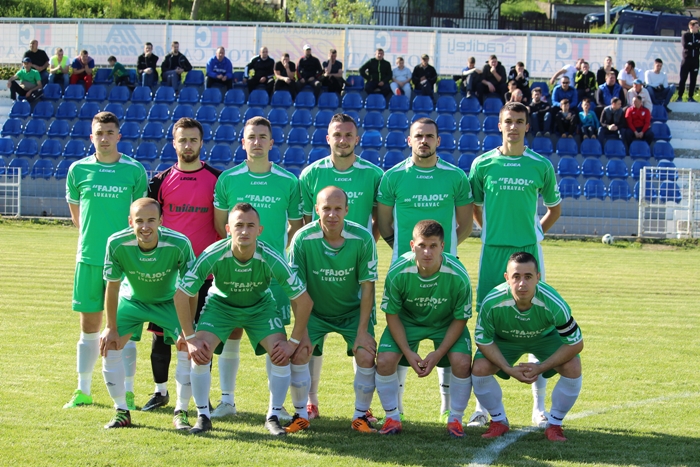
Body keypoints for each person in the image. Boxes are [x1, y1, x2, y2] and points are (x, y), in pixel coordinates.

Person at [173, 203, 314, 436]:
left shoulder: (270, 256)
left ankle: (273, 416)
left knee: (280, 353)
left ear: (260, 230)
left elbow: (304, 301)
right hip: (221, 306)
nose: (245, 231)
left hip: (259, 308)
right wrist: (190, 338)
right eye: (239, 225)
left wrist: (293, 343)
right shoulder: (213, 253)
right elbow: (181, 295)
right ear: (228, 229)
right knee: (200, 352)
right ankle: (203, 416)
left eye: (250, 225)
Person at [467, 101, 561, 429]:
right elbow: (475, 207)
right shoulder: (482, 164)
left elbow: (554, 209)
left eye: (519, 121)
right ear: (500, 125)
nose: (514, 127)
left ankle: (539, 408)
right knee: (487, 322)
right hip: (493, 253)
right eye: (508, 121)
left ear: (527, 126)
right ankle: (482, 408)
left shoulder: (540, 165)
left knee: (539, 323)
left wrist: (536, 234)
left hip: (528, 252)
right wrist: (491, 231)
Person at [377, 117, 473, 421]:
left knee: (448, 338)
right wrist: (405, 252)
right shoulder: (393, 177)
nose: (424, 141)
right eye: (418, 136)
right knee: (401, 340)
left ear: (438, 141)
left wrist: (442, 253)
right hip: (405, 270)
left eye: (429, 136)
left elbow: (465, 224)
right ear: (409, 140)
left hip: (445, 269)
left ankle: (447, 410)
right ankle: (397, 410)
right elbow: (384, 224)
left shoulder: (456, 177)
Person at [212, 117, 303, 419]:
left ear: (271, 143)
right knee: (232, 331)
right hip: (235, 269)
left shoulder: (288, 181)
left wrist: (274, 251)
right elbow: (220, 226)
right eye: (251, 137)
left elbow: (296, 227)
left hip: (273, 273)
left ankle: (276, 406)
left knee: (275, 338)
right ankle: (227, 401)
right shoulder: (228, 179)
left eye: (263, 137)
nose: (257, 142)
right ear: (243, 142)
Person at [298, 113, 383, 418]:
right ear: (328, 138)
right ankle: (310, 401)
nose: (343, 140)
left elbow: (379, 220)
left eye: (348, 135)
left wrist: (359, 249)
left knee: (363, 343)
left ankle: (364, 410)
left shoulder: (373, 174)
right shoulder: (310, 174)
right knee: (310, 344)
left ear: (356, 138)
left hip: (356, 268)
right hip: (319, 269)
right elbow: (306, 223)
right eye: (337, 135)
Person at [63, 111, 148, 409]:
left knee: (126, 330)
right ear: (92, 137)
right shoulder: (77, 170)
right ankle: (83, 390)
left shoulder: (134, 170)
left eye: (110, 132)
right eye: (99, 133)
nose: (104, 138)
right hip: (89, 258)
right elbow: (78, 218)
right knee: (89, 325)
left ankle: (128, 392)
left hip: (126, 262)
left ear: (118, 136)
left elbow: (140, 218)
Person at [142, 117, 222, 412]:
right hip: (167, 272)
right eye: (182, 140)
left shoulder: (217, 179)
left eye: (193, 140)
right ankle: (160, 391)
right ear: (174, 143)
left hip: (204, 273)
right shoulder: (159, 181)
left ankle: (201, 395)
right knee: (161, 336)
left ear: (201, 143)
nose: (188, 145)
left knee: (199, 338)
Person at [287, 186, 379, 433]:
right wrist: (303, 331)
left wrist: (362, 332)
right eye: (326, 208)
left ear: (347, 210)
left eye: (338, 208)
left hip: (352, 312)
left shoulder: (362, 238)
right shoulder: (302, 239)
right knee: (300, 352)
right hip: (314, 313)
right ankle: (300, 414)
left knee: (366, 354)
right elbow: (296, 290)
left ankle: (360, 416)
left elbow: (368, 288)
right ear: (316, 209)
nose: (332, 214)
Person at [100, 198, 195, 430]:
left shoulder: (179, 243)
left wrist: (189, 329)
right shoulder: (116, 243)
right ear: (130, 221)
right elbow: (112, 286)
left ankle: (181, 412)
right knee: (109, 346)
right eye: (139, 221)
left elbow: (191, 289)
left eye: (151, 220)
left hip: (169, 302)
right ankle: (121, 411)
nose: (145, 226)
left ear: (161, 221)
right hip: (132, 301)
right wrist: (110, 327)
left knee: (187, 348)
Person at [375, 220, 473, 438]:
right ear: (412, 246)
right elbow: (392, 314)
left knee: (462, 362)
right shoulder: (398, 272)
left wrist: (438, 353)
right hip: (408, 321)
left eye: (433, 246)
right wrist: (407, 352)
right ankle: (392, 417)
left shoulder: (458, 275)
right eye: (422, 245)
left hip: (446, 322)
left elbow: (461, 319)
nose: (427, 252)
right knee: (384, 361)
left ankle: (455, 419)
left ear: (442, 247)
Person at [472, 252, 583, 442]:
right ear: (507, 278)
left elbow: (575, 343)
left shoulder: (553, 302)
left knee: (572, 366)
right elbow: (483, 340)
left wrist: (541, 367)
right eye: (516, 276)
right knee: (480, 368)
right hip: (506, 340)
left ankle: (554, 424)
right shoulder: (492, 301)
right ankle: (498, 420)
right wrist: (507, 368)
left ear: (538, 277)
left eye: (528, 277)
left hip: (544, 338)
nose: (522, 283)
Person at [678, 20, 700, 102]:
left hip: (695, 60)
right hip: (686, 60)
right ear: (691, 27)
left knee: (693, 79)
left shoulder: (698, 35)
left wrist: (692, 44)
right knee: (683, 78)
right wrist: (695, 45)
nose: (698, 29)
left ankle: (691, 96)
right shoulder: (685, 35)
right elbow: (685, 45)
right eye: (696, 27)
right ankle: (680, 96)